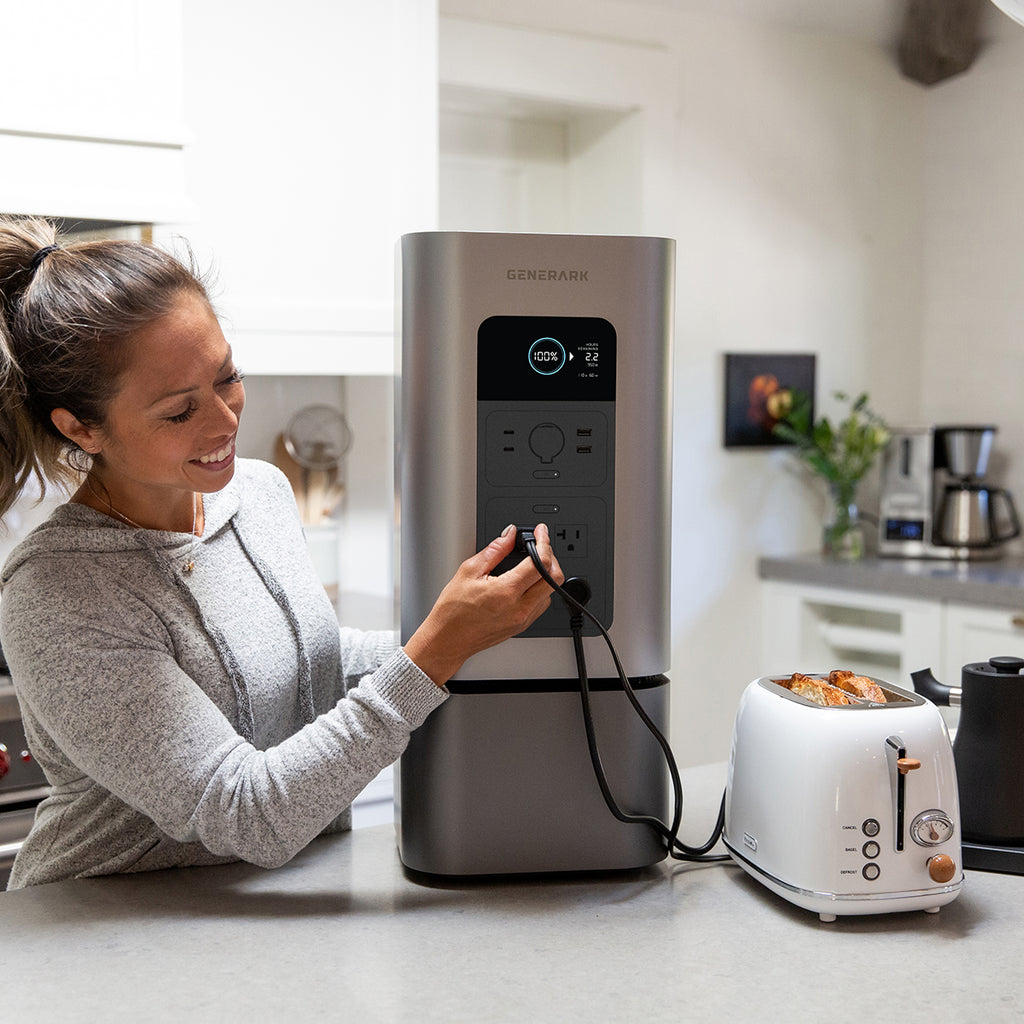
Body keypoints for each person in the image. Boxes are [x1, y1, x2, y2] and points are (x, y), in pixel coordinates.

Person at [0, 216, 562, 889]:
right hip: (113, 938)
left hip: (276, 911)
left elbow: (310, 664)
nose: (225, 419)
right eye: (180, 411)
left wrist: (469, 627)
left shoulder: (259, 494)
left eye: (227, 376)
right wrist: (433, 652)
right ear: (81, 428)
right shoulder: (58, 589)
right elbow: (247, 812)